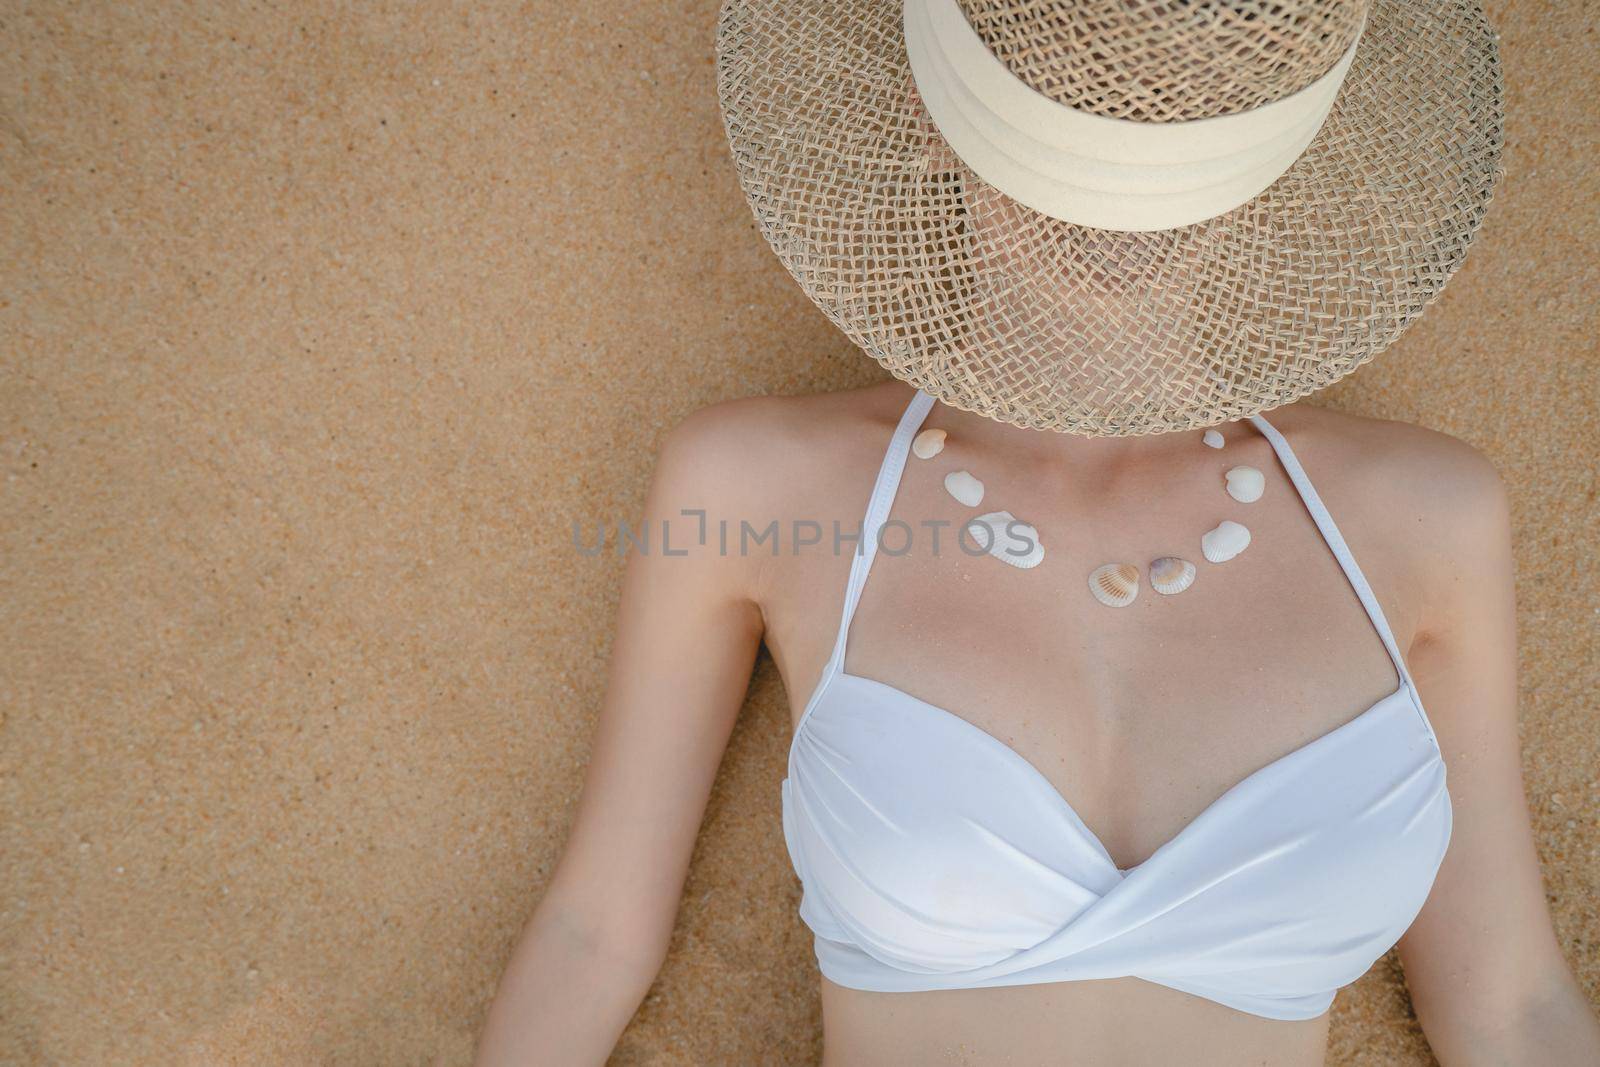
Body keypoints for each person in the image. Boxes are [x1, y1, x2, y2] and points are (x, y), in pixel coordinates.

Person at [476, 1, 1600, 1062]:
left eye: (1172, 122)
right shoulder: (756, 485)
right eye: (1076, 117)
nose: (1113, 206)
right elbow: (596, 930)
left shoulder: (1426, 515)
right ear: (933, 113)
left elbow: (1507, 1003)